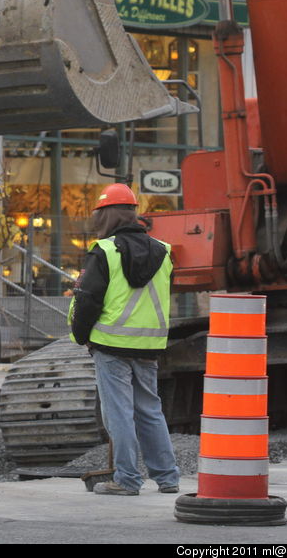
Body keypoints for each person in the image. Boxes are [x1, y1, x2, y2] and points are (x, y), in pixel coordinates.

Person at [68, 183, 181, 496]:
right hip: (148, 345)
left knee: (118, 413)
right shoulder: (164, 250)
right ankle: (168, 478)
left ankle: (128, 479)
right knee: (149, 410)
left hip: (110, 344)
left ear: (105, 215)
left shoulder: (103, 251)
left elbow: (88, 298)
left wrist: (81, 335)